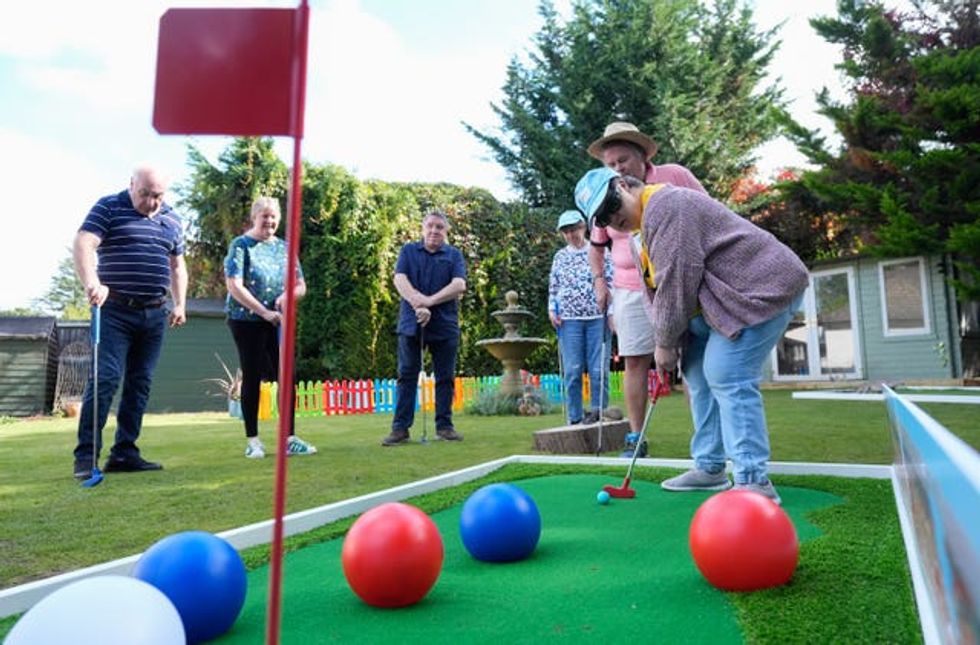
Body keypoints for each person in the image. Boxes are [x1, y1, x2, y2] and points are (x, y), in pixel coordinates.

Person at [574, 167, 809, 504]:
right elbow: (656, 291)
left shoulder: (667, 205)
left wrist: (665, 343)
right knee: (697, 374)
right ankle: (711, 467)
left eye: (613, 205)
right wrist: (668, 340)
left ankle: (754, 482)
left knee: (727, 374)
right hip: (719, 303)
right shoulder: (642, 228)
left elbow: (677, 281)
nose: (612, 218)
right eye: (602, 218)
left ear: (623, 185)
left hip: (763, 288)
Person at [587, 122, 706, 457]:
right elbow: (596, 246)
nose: (617, 168)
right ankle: (635, 438)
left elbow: (708, 211)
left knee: (693, 361)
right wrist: (600, 281)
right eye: (610, 164)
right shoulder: (604, 198)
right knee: (635, 362)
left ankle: (707, 439)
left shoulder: (675, 176)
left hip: (680, 282)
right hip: (629, 288)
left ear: (641, 156)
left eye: (622, 160)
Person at [72, 166, 189, 479]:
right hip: (114, 310)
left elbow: (178, 266)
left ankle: (124, 453)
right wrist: (91, 282)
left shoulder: (173, 219)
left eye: (158, 196)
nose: (152, 202)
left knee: (140, 383)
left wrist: (180, 303)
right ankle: (86, 457)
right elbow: (84, 242)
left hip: (154, 314)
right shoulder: (109, 206)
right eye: (145, 194)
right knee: (106, 377)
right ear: (131, 185)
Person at [223, 196, 317, 459]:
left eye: (274, 216)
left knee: (286, 376)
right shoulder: (241, 245)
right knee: (252, 375)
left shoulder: (285, 249)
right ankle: (253, 440)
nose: (270, 221)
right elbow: (234, 285)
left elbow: (300, 285)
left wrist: (288, 297)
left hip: (278, 320)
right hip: (246, 320)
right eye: (265, 216)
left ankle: (289, 438)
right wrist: (263, 312)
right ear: (255, 217)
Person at [382, 211, 467, 446]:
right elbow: (400, 279)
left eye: (440, 227)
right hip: (412, 323)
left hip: (444, 325)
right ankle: (400, 429)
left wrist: (429, 302)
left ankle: (444, 427)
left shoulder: (454, 255)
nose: (434, 231)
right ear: (423, 228)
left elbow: (459, 285)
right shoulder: (408, 251)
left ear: (446, 231)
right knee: (406, 376)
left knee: (445, 378)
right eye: (430, 226)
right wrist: (418, 303)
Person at [548, 210, 612, 425]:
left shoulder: (599, 251)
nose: (571, 234)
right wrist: (551, 309)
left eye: (574, 228)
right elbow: (554, 287)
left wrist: (611, 313)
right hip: (569, 320)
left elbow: (611, 281)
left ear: (583, 227)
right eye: (566, 231)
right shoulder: (560, 257)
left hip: (598, 317)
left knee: (598, 370)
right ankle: (574, 418)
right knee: (573, 370)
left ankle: (599, 413)